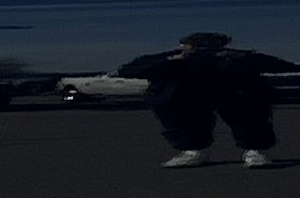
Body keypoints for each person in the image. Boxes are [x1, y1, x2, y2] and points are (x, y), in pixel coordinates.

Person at [121, 28, 286, 168]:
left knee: (248, 117)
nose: (204, 51)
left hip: (232, 95)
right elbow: (129, 70)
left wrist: (241, 59)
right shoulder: (170, 58)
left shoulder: (236, 58)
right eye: (198, 47)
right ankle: (192, 151)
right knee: (183, 122)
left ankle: (254, 151)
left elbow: (281, 66)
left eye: (210, 47)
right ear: (185, 46)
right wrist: (169, 61)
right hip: (183, 98)